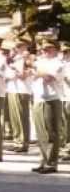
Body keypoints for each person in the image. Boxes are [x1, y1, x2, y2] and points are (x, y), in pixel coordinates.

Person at [31, 38, 65, 174]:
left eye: (48, 48)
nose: (45, 51)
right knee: (40, 133)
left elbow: (48, 77)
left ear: (56, 49)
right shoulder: (41, 62)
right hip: (38, 99)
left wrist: (34, 67)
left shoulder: (58, 63)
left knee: (51, 133)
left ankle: (51, 163)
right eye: (44, 49)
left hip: (51, 99)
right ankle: (43, 160)